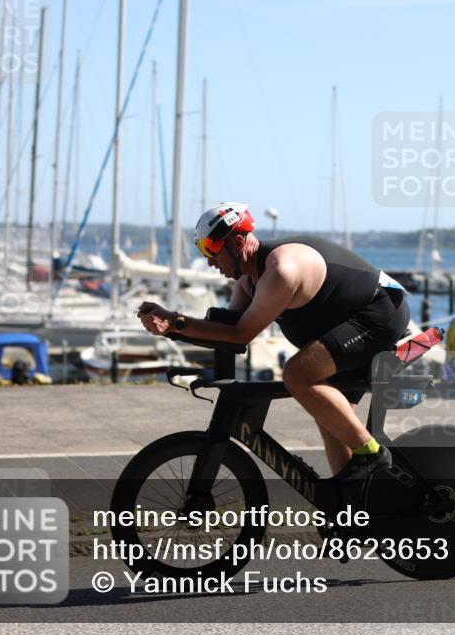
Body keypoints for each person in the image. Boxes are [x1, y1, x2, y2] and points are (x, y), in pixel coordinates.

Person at [137, 202, 410, 481]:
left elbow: (241, 335)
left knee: (298, 374)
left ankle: (372, 453)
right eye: (202, 250)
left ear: (238, 242)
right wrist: (170, 328)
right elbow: (227, 331)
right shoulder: (247, 278)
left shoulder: (281, 271)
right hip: (346, 324)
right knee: (329, 418)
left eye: (211, 249)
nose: (208, 260)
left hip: (379, 315)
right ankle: (347, 508)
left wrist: (177, 322)